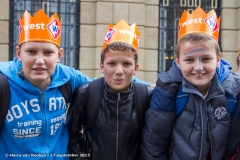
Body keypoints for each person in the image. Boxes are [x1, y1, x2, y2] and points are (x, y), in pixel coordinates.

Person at [0, 9, 151, 159]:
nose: (40, 61)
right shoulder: (3, 84)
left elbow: (106, 81)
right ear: (19, 53)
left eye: (48, 53)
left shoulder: (67, 78)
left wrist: (148, 87)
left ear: (59, 55)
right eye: (31, 52)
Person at [141, 7, 240, 160]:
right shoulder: (167, 90)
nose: (198, 68)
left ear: (218, 59)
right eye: (189, 60)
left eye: (206, 59)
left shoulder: (233, 91)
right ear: (178, 61)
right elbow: (154, 143)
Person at [67, 19, 153, 160]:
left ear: (135, 68)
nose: (119, 71)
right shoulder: (86, 93)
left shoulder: (146, 96)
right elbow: (72, 136)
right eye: (112, 63)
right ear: (102, 66)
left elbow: (154, 139)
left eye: (126, 64)